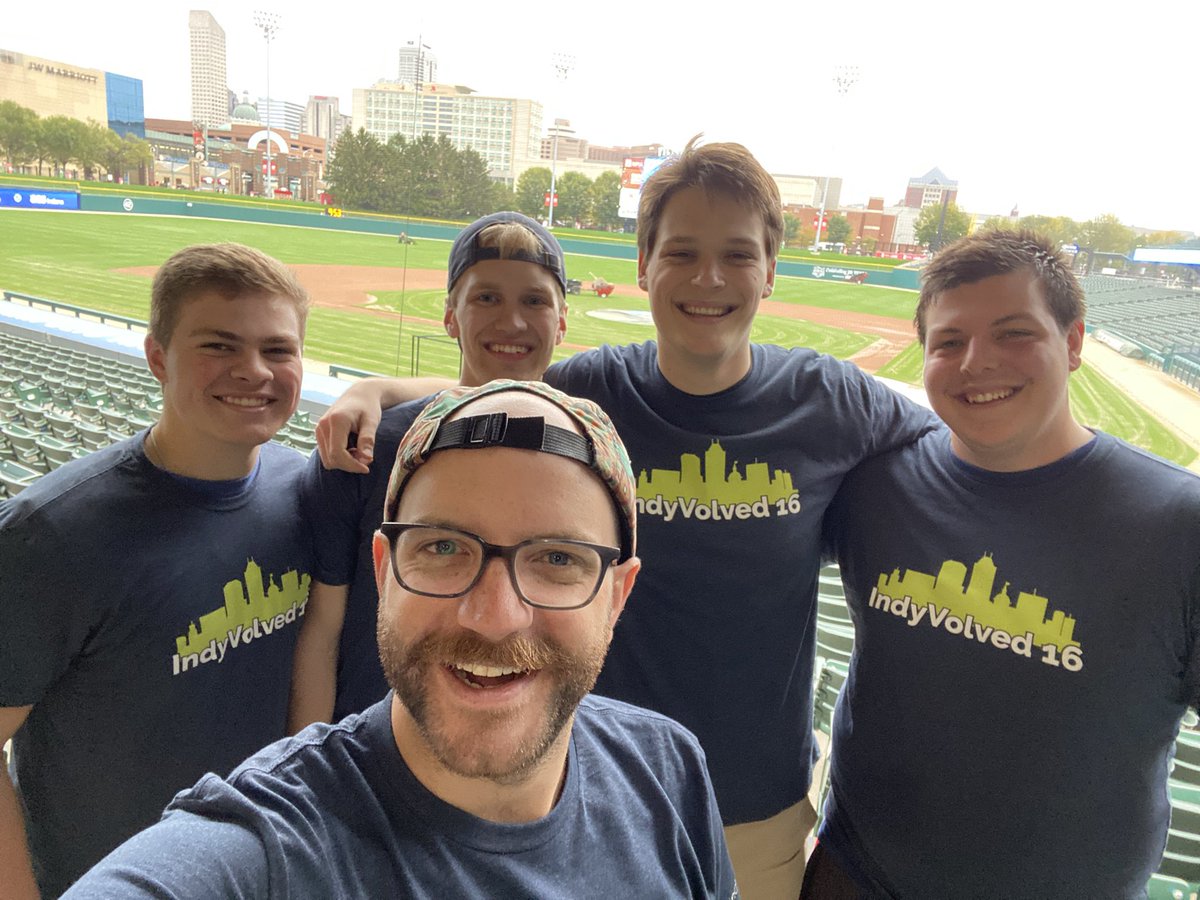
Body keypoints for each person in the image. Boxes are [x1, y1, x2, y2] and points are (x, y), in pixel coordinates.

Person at [313, 138, 936, 898]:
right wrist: (375, 392)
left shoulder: (830, 399)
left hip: (755, 808)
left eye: (738, 255)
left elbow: (957, 454)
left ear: (771, 270)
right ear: (645, 266)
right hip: (586, 794)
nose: (709, 278)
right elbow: (493, 388)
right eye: (682, 252)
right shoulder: (592, 392)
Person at [64, 381, 737, 899]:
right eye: (442, 546)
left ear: (616, 595)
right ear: (385, 573)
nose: (493, 616)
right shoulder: (268, 848)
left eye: (558, 559)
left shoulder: (668, 770)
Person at [806, 229, 1200, 898]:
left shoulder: (1179, 523)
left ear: (1073, 343)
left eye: (1014, 333)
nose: (975, 363)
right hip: (858, 873)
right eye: (948, 342)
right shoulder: (874, 485)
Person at [0, 243, 314, 898]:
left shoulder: (304, 492)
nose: (253, 371)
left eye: (277, 350)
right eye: (219, 346)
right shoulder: (52, 534)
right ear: (156, 357)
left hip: (261, 871)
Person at [288, 211, 568, 731]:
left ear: (562, 322)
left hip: (518, 750)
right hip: (375, 754)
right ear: (449, 317)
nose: (512, 321)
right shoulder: (366, 449)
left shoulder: (583, 457)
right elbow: (322, 630)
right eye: (486, 298)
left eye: (534, 300)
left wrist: (379, 386)